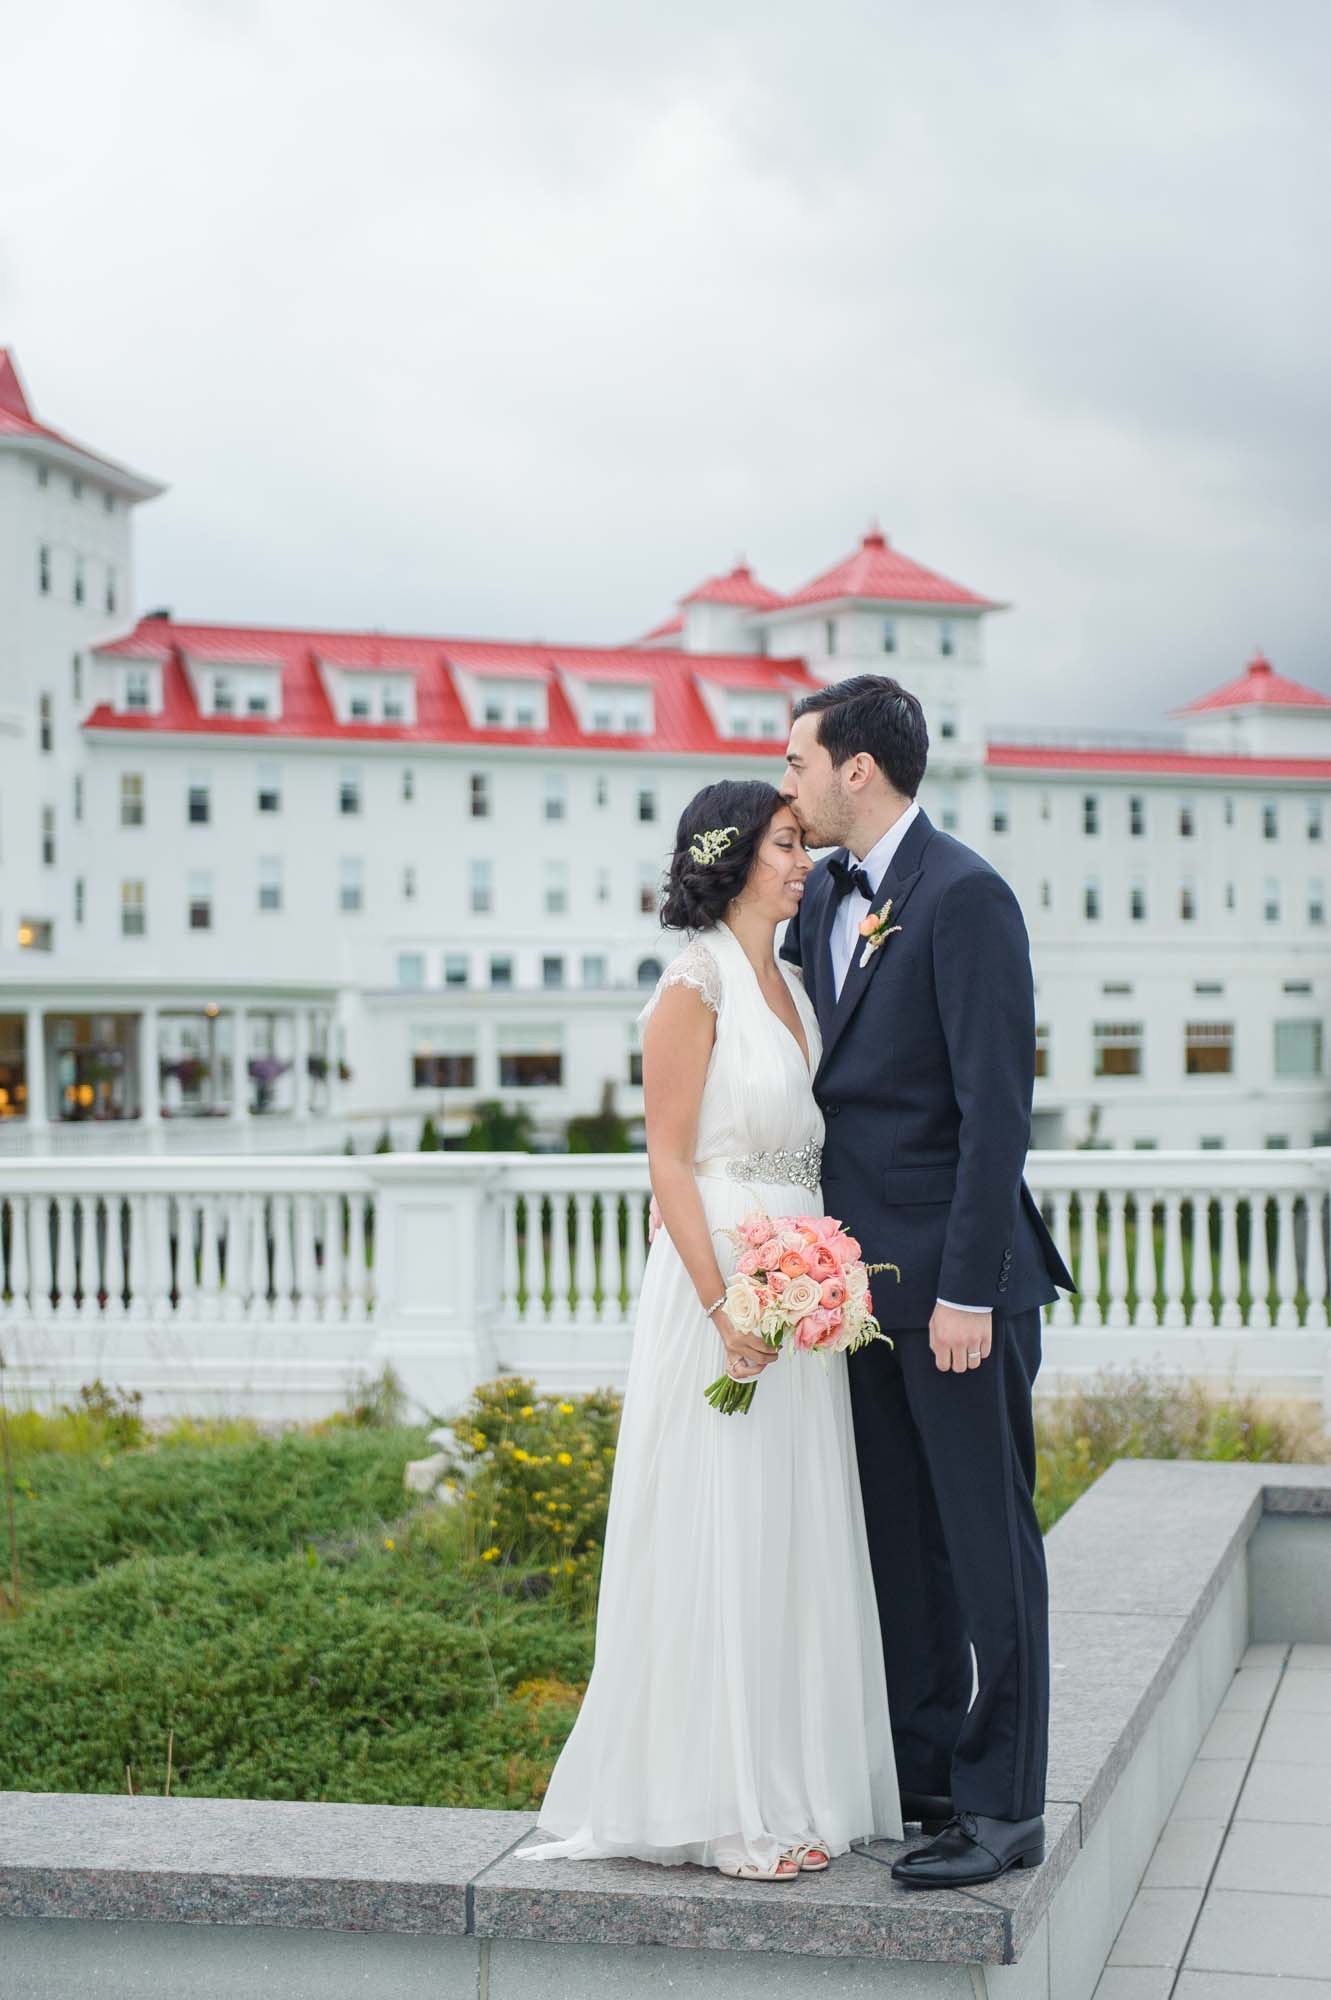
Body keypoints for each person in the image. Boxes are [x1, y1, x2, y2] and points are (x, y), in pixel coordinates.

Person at [517, 778, 902, 1879]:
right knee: (720, 1529)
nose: (803, 862)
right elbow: (667, 1159)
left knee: (787, 1532)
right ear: (732, 861)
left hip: (800, 1279)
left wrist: (818, 1276)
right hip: (723, 1274)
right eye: (784, 845)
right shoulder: (691, 985)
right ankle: (720, 1806)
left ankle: (789, 1784)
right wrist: (721, 1301)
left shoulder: (794, 981)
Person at [778, 673, 1074, 1890]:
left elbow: (994, 1110)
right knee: (900, 1552)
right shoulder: (819, 898)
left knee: (984, 1548)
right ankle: (928, 1783)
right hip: (852, 1290)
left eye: (797, 761)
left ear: (856, 767)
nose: (787, 783)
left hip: (958, 1292)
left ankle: (1004, 1808)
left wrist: (966, 1290)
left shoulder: (965, 895)